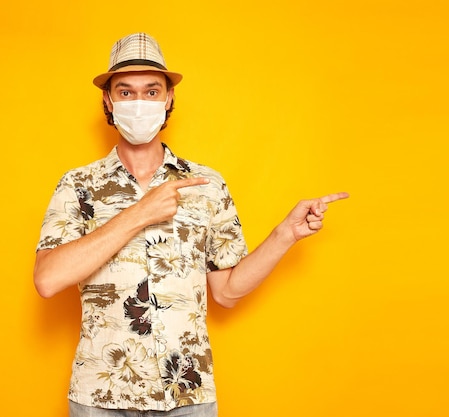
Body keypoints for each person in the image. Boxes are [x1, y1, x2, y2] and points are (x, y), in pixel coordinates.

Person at [34, 32, 348, 417]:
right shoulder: (78, 185)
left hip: (189, 396)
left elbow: (228, 291)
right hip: (101, 397)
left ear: (168, 99)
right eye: (126, 91)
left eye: (151, 92)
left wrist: (286, 234)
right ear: (108, 101)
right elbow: (47, 279)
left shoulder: (207, 185)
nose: (139, 103)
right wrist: (140, 213)